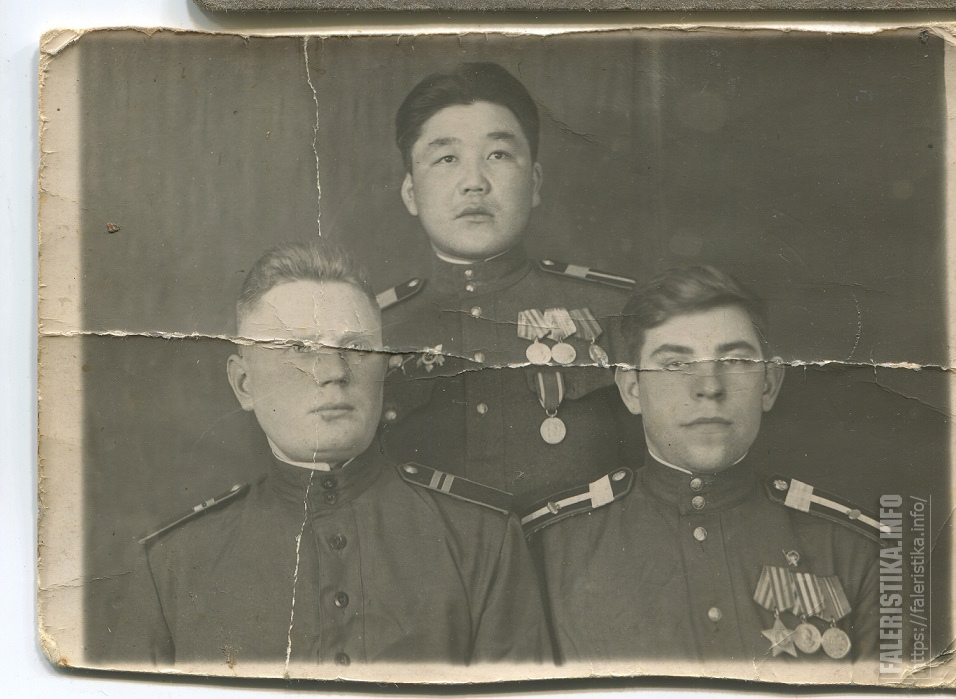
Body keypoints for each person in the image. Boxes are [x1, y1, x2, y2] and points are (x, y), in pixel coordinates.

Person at [115, 240, 552, 667]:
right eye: (299, 349)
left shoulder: (482, 539)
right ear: (244, 384)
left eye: (357, 348)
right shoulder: (172, 566)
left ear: (385, 366)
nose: (333, 372)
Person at [526, 266, 880, 667]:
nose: (709, 386)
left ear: (768, 384)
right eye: (675, 364)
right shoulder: (552, 550)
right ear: (631, 389)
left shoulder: (855, 550)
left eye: (735, 360)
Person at [378, 62, 640, 512]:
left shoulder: (615, 310)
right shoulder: (374, 328)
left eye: (498, 155)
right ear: (410, 192)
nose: (474, 183)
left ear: (534, 182)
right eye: (446, 158)